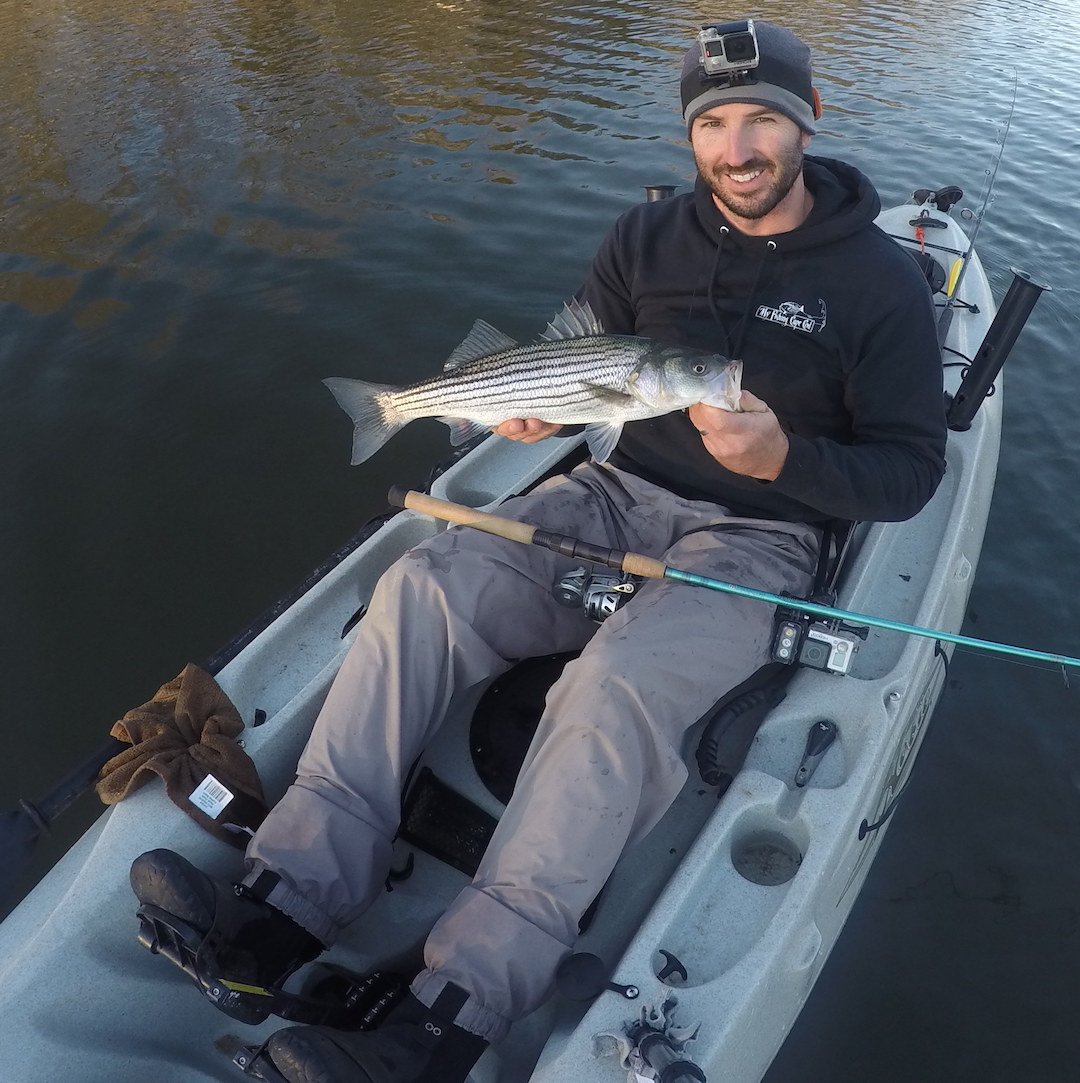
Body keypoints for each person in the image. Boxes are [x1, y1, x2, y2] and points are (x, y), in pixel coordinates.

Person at [131, 18, 946, 1083]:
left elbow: (908, 474)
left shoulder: (882, 285)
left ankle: (455, 1012)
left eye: (762, 121)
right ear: (689, 137)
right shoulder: (642, 240)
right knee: (421, 588)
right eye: (713, 124)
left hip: (762, 539)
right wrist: (533, 414)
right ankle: (291, 899)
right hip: (609, 495)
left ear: (809, 124)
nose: (737, 149)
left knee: (614, 685)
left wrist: (786, 456)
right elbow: (574, 363)